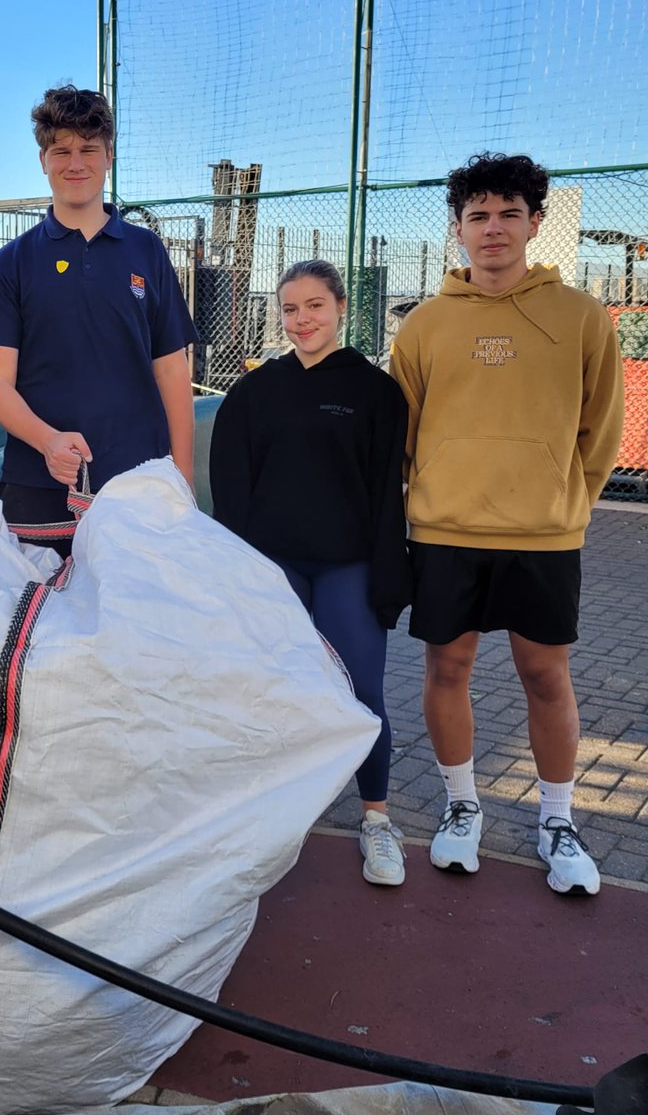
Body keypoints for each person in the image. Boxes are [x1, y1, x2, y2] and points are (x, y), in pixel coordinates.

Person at [390, 152, 624, 895]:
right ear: (457, 228)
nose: (493, 229)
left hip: (543, 538)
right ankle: (462, 808)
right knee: (447, 669)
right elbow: (404, 437)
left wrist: (567, 508)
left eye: (509, 214)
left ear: (534, 223)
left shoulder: (584, 317)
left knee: (544, 675)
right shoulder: (424, 325)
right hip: (445, 532)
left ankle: (558, 820)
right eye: (478, 216)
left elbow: (601, 432)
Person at [210, 260, 412, 886]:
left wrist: (388, 577)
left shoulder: (376, 393)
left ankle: (377, 820)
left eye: (315, 306)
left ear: (341, 307)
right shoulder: (254, 391)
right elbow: (231, 489)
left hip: (346, 567)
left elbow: (387, 494)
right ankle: (274, 816)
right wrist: (241, 575)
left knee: (362, 692)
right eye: (291, 309)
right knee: (274, 690)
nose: (302, 320)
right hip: (276, 568)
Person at [0, 85, 197, 554]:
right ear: (43, 159)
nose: (75, 163)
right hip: (37, 485)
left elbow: (173, 371)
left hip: (140, 483)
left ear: (109, 155)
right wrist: (48, 441)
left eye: (88, 149)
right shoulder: (10, 263)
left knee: (137, 623)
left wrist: (183, 482)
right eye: (61, 150)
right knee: (39, 624)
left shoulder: (147, 250)